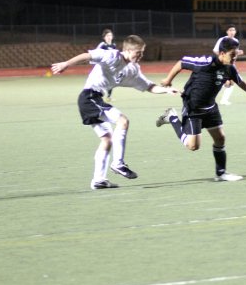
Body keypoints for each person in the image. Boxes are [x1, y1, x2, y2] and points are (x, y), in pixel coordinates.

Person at [51, 34, 179, 189]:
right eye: (138, 52)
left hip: (95, 100)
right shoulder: (111, 55)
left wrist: (166, 90)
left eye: (142, 52)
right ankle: (118, 163)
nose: (141, 56)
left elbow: (149, 86)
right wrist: (66, 63)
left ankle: (98, 180)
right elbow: (88, 55)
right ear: (128, 50)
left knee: (107, 140)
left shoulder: (132, 70)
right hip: (89, 97)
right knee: (123, 121)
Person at [155, 37, 246, 181]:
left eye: (236, 55)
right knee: (193, 146)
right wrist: (168, 80)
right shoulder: (205, 62)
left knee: (220, 139)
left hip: (210, 107)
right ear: (222, 53)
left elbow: (241, 82)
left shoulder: (230, 68)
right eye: (232, 55)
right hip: (193, 107)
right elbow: (182, 62)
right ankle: (172, 117)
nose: (235, 58)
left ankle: (221, 173)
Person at [213, 26, 244, 105]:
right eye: (230, 30)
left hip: (231, 64)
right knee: (226, 82)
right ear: (227, 31)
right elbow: (215, 50)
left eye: (233, 30)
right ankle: (214, 98)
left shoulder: (236, 41)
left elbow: (233, 53)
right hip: (223, 64)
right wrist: (223, 58)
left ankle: (224, 100)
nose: (232, 31)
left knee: (231, 82)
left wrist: (238, 53)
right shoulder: (222, 39)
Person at [96, 28, 117, 100]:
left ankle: (109, 96)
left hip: (110, 67)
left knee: (112, 81)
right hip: (102, 66)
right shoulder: (102, 45)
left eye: (110, 35)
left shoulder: (114, 45)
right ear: (104, 37)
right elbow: (96, 53)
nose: (109, 37)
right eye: (107, 35)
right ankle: (97, 95)